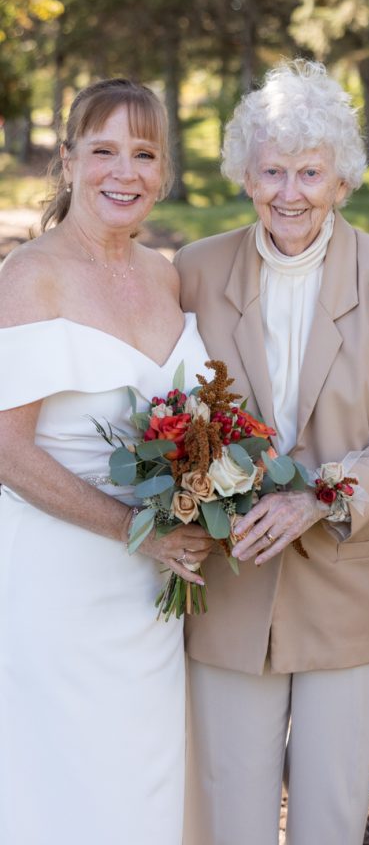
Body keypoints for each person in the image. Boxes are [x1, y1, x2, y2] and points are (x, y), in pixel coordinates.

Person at [175, 59, 369, 845]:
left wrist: (316, 496)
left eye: (309, 173)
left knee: (330, 817)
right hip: (229, 586)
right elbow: (169, 415)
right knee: (228, 818)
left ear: (342, 180)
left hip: (351, 589)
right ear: (245, 175)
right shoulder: (193, 271)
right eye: (271, 171)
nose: (289, 193)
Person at [0, 78, 214, 845]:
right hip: (58, 588)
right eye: (103, 151)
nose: (125, 172)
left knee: (140, 786)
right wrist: (138, 530)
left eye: (144, 154)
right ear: (67, 161)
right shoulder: (31, 276)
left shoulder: (165, 274)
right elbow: (6, 450)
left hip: (150, 593)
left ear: (163, 171)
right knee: (65, 786)